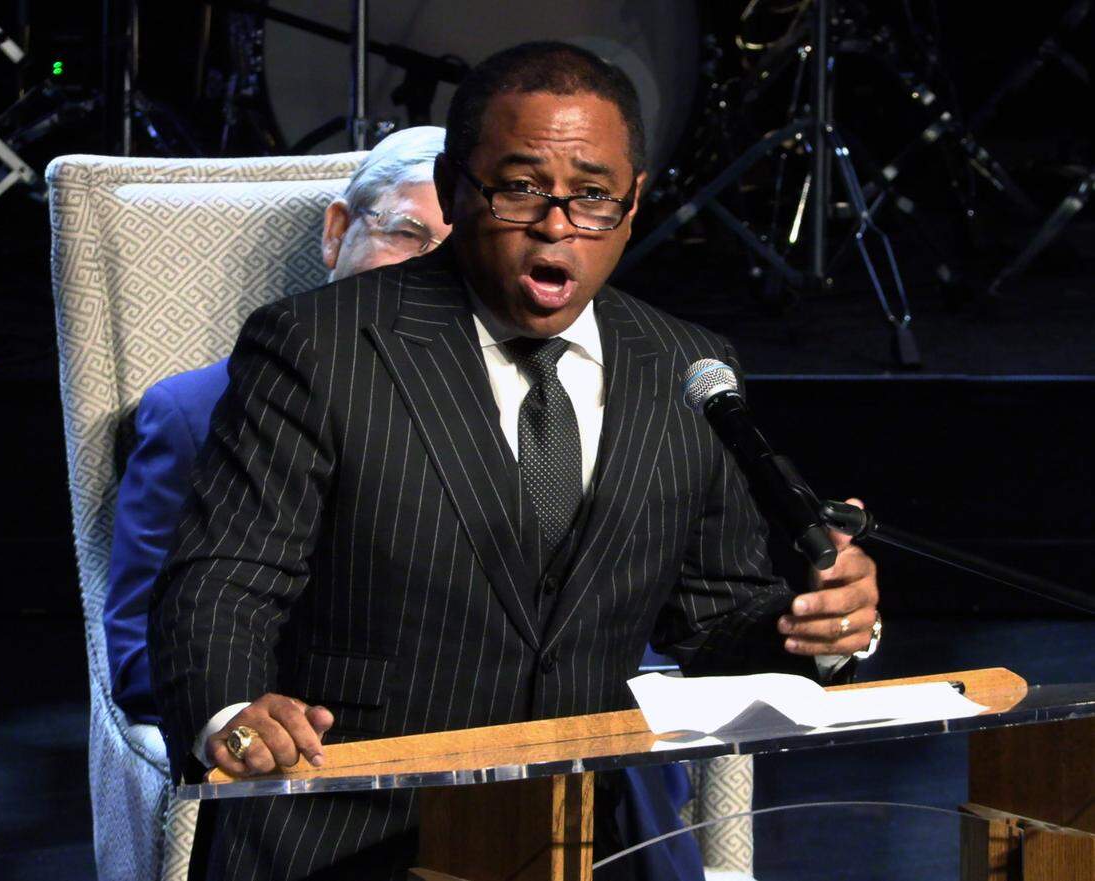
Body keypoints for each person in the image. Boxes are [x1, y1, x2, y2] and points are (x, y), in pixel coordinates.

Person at [149, 42, 880, 881]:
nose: (558, 223)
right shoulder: (319, 346)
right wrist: (235, 713)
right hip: (345, 836)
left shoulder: (685, 368)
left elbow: (717, 622)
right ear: (459, 189)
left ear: (633, 203)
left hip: (580, 845)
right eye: (522, 187)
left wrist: (817, 628)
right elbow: (220, 580)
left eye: (593, 196)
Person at [104, 126, 450, 725]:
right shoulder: (193, 414)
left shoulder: (528, 407)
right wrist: (247, 712)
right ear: (337, 231)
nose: (428, 276)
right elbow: (140, 654)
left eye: (459, 255)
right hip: (323, 762)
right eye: (406, 235)